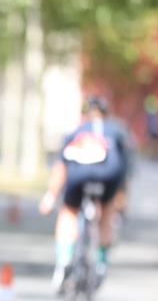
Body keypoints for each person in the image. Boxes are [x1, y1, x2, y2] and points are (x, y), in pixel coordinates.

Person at [39, 95, 130, 290]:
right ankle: (102, 263)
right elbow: (123, 170)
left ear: (86, 114)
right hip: (108, 177)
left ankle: (63, 262)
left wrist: (50, 195)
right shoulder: (116, 132)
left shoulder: (77, 132)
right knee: (106, 214)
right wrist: (121, 199)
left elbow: (61, 166)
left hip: (79, 176)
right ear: (107, 114)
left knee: (69, 213)